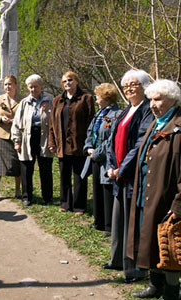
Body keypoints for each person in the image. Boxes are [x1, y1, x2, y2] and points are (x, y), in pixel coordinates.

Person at [126, 79, 181, 299]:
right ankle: (155, 285)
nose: (152, 104)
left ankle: (172, 290)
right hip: (147, 194)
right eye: (150, 100)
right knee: (150, 241)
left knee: (168, 244)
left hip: (167, 198)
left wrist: (178, 205)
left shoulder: (178, 128)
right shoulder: (156, 124)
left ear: (172, 100)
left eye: (157, 99)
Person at [103, 69, 154, 284]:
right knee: (118, 220)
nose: (129, 89)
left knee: (132, 224)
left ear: (144, 87)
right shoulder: (125, 111)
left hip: (132, 175)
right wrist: (110, 166)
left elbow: (139, 144)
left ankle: (132, 269)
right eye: (125, 86)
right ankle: (116, 259)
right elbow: (110, 142)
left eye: (134, 84)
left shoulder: (146, 111)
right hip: (117, 174)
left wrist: (121, 168)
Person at [48, 71, 95, 215]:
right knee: (64, 175)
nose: (67, 83)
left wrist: (90, 143)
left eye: (70, 80)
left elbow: (91, 122)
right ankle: (65, 203)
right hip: (62, 144)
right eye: (64, 81)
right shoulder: (57, 100)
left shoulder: (86, 98)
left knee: (79, 176)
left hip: (79, 144)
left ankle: (79, 206)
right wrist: (52, 142)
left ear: (76, 81)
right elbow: (51, 123)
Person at [83, 83, 122, 236]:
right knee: (97, 189)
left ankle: (109, 225)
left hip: (106, 159)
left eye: (98, 97)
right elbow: (90, 132)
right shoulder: (99, 113)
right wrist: (88, 148)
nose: (96, 99)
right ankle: (98, 220)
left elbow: (111, 139)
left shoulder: (117, 114)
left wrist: (97, 153)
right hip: (94, 156)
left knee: (107, 190)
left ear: (106, 98)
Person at [11, 74, 54, 206]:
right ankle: (27, 197)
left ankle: (47, 197)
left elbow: (54, 121)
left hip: (44, 138)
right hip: (27, 138)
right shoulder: (24, 102)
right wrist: (17, 142)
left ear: (41, 86)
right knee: (26, 169)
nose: (33, 89)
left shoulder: (50, 101)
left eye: (35, 86)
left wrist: (54, 141)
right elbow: (17, 124)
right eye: (31, 87)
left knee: (45, 168)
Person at [0, 75, 21, 203]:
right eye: (6, 84)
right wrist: (0, 119)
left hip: (16, 136)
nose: (8, 87)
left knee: (17, 164)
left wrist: (16, 121)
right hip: (1, 136)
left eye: (10, 84)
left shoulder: (22, 100)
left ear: (15, 85)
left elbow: (25, 117)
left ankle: (18, 190)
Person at [0, 0, 19, 79]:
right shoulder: (9, 14)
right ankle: (4, 76)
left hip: (3, 41)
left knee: (3, 59)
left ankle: (3, 76)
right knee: (7, 60)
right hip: (9, 39)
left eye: (1, 5)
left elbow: (5, 28)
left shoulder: (4, 15)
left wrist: (2, 40)